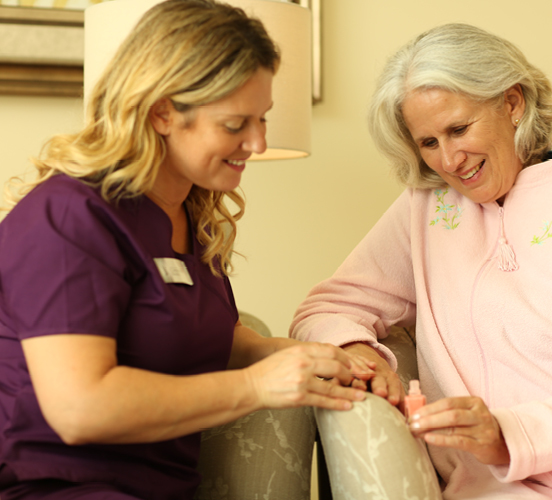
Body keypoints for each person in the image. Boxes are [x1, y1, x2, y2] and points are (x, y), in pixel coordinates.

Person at [0, 1, 373, 499]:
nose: (259, 144)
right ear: (161, 113)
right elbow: (79, 409)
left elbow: (202, 329)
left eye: (263, 119)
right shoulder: (70, 217)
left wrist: (285, 353)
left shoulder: (189, 211)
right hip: (48, 487)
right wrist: (260, 384)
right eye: (236, 124)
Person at [290, 23, 552, 499]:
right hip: (485, 480)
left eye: (458, 129)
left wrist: (508, 432)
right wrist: (358, 351)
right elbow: (325, 308)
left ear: (512, 103)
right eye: (428, 143)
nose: (448, 160)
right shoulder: (425, 206)